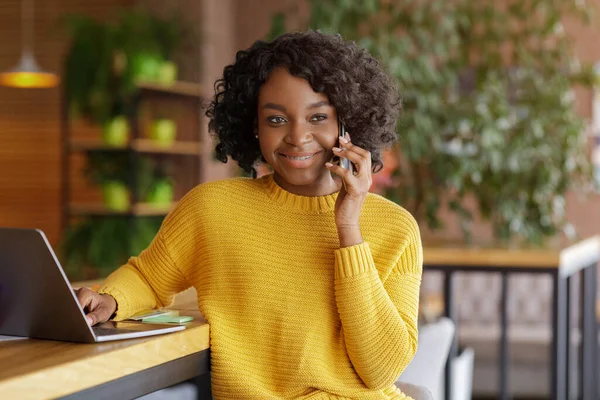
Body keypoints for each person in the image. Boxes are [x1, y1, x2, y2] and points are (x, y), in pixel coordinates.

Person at [75, 30, 423, 400]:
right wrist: (109, 299)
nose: (297, 137)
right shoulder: (212, 209)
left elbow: (382, 369)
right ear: (253, 127)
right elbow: (149, 277)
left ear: (347, 125)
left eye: (317, 117)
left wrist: (348, 228)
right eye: (276, 120)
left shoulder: (395, 228)